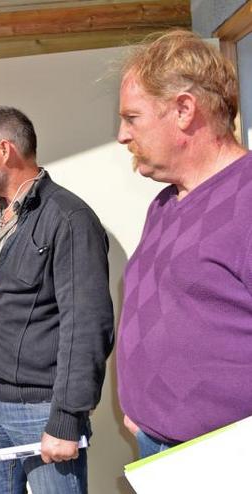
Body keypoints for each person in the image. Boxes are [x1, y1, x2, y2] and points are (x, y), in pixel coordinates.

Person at [0, 106, 114, 494]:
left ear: (5, 151)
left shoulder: (69, 219)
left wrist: (66, 418)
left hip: (41, 411)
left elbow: (87, 326)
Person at [116, 30, 252, 459]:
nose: (122, 135)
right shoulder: (166, 202)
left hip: (225, 462)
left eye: (132, 117)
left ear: (184, 110)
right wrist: (144, 406)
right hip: (158, 446)